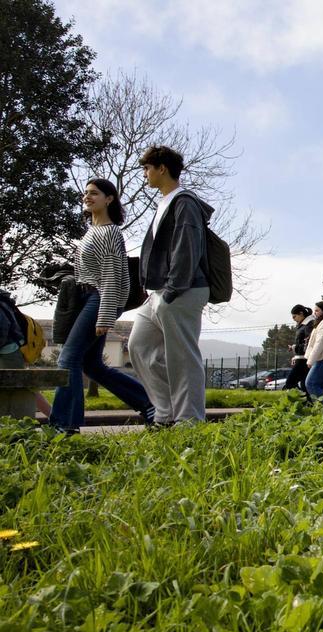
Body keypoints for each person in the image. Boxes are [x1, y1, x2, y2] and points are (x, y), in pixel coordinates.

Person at [47, 179, 156, 434]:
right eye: (85, 193)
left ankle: (64, 425)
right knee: (91, 365)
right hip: (85, 298)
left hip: (99, 299)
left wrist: (105, 316)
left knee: (68, 358)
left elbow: (112, 277)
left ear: (109, 199)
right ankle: (150, 405)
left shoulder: (110, 232)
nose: (87, 197)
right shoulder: (90, 232)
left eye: (94, 193)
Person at [128, 145, 210, 426]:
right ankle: (165, 412)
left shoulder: (184, 201)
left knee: (183, 358)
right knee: (139, 347)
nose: (145, 174)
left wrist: (173, 290)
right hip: (158, 292)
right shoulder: (164, 203)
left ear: (162, 168)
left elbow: (186, 249)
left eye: (147, 168)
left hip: (181, 290)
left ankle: (189, 422)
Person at [283, 304, 315, 397]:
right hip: (301, 358)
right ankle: (308, 403)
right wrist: (294, 349)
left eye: (294, 316)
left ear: (301, 313)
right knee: (305, 384)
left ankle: (303, 401)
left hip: (304, 359)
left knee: (290, 383)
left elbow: (309, 343)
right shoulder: (303, 324)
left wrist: (295, 348)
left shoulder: (309, 324)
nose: (293, 319)